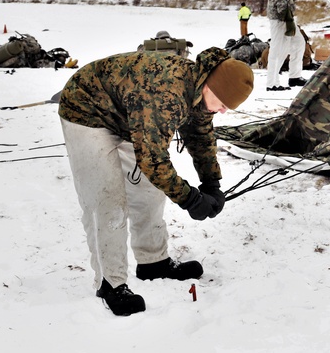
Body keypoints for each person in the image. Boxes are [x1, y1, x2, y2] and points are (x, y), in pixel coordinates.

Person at [58, 47, 254, 316]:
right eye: (222, 103)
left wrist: (211, 183)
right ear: (210, 85)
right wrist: (191, 199)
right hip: (86, 110)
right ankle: (110, 284)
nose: (222, 111)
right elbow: (152, 161)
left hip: (128, 117)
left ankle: (153, 262)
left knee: (149, 191)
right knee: (107, 200)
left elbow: (200, 135)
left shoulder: (198, 89)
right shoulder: (166, 93)